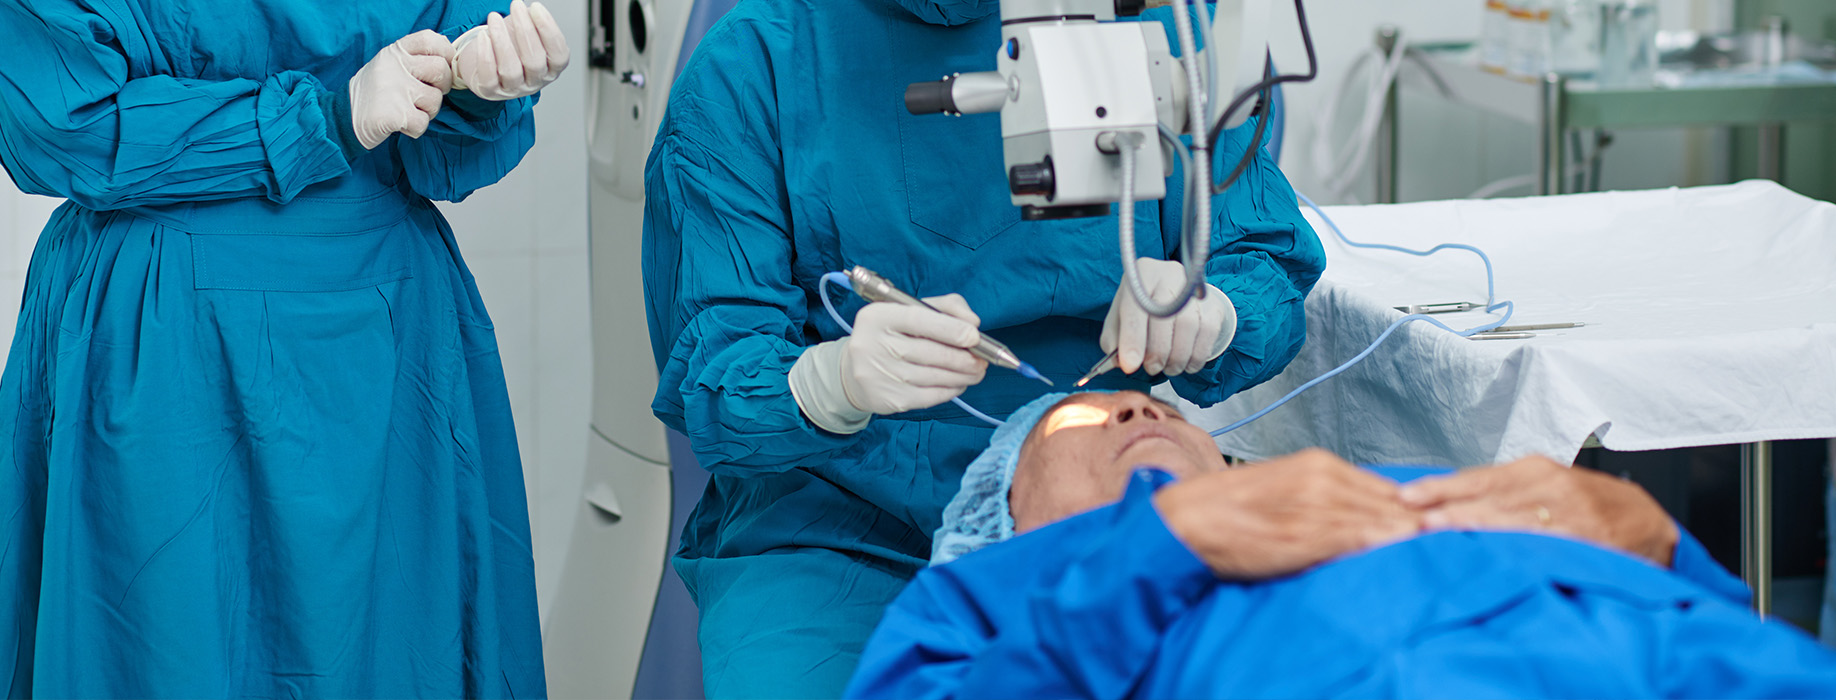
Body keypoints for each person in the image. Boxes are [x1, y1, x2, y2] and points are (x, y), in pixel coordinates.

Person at [641, 0, 1324, 695]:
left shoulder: (1170, 28)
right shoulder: (756, 61)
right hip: (832, 526)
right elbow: (715, 373)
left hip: (1100, 497)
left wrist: (1222, 311)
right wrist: (830, 384)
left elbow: (1262, 252)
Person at [0, 0, 568, 695]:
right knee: (162, 651)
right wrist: (321, 120)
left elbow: (445, 139)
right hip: (167, 341)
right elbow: (60, 123)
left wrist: (476, 86)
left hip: (383, 342)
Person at [847, 391, 1836, 699]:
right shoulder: (985, 599)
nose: (1136, 404)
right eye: (1077, 420)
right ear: (1000, 511)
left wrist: (1655, 537)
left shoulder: (1390, 484)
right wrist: (1156, 549)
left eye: (1157, 407)